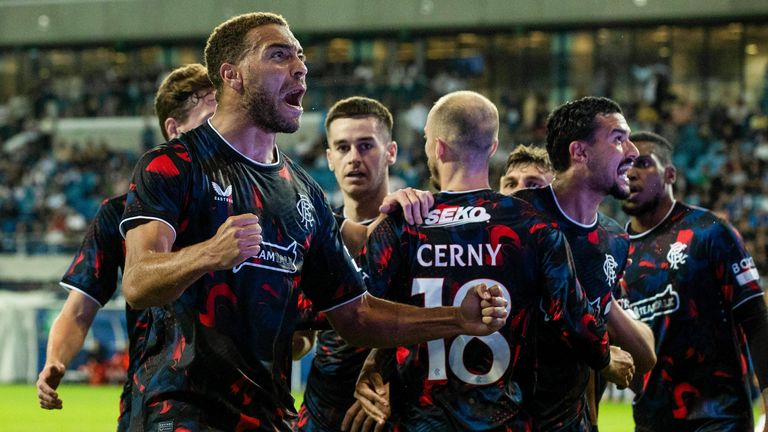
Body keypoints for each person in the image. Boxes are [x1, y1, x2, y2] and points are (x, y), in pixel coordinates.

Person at [119, 13, 507, 431]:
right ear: (232, 75)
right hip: (179, 414)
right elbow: (139, 281)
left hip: (270, 417)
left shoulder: (305, 194)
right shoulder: (173, 164)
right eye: (279, 55)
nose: (300, 67)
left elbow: (356, 316)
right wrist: (208, 253)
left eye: (300, 57)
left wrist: (456, 319)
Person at [348, 91, 631, 431]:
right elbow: (574, 319)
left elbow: (354, 309)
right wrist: (604, 358)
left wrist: (372, 365)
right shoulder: (535, 227)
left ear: (438, 147)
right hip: (505, 421)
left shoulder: (401, 223)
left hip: (420, 420)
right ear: (494, 146)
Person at [35, 63, 217, 431]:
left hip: (241, 405)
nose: (224, 132)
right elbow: (78, 311)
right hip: (152, 403)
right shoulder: (120, 214)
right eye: (211, 119)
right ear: (174, 128)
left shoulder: (253, 204)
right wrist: (55, 360)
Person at [512, 96, 656, 431]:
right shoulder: (514, 219)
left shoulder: (615, 239)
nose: (632, 151)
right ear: (580, 152)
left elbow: (600, 352)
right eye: (618, 139)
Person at [618, 131, 768, 432]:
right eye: (625, 165)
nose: (632, 172)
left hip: (719, 417)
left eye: (643, 163)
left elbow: (755, 320)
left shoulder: (710, 231)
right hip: (651, 421)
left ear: (670, 174)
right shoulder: (613, 250)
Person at [297, 96, 398, 431]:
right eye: (342, 148)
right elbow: (302, 341)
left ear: (391, 152)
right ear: (328, 158)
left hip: (395, 406)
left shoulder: (418, 229)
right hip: (323, 411)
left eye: (366, 145)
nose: (354, 158)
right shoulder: (314, 234)